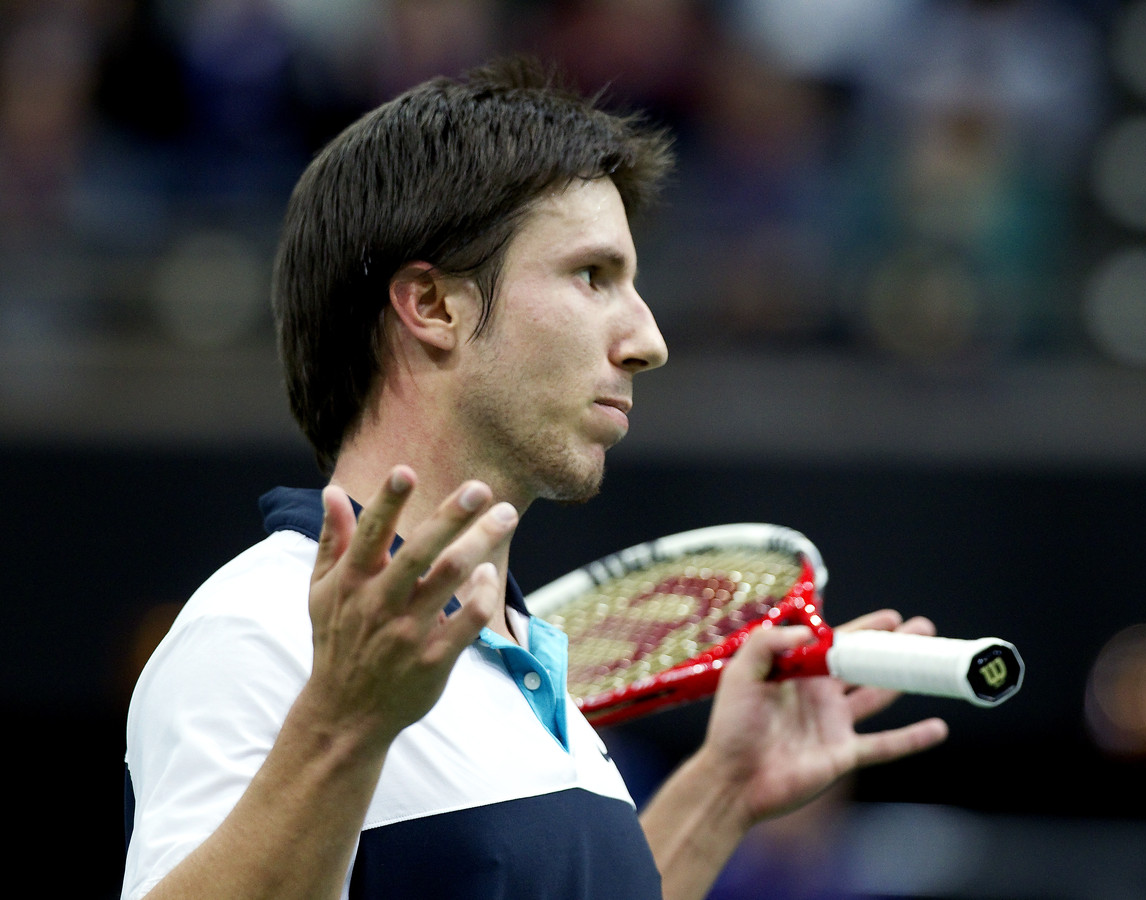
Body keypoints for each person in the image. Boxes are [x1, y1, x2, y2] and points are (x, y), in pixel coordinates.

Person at [121, 56, 950, 900]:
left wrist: (717, 798)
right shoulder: (256, 631)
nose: (647, 341)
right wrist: (343, 725)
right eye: (594, 276)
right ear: (434, 306)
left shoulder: (520, 665)